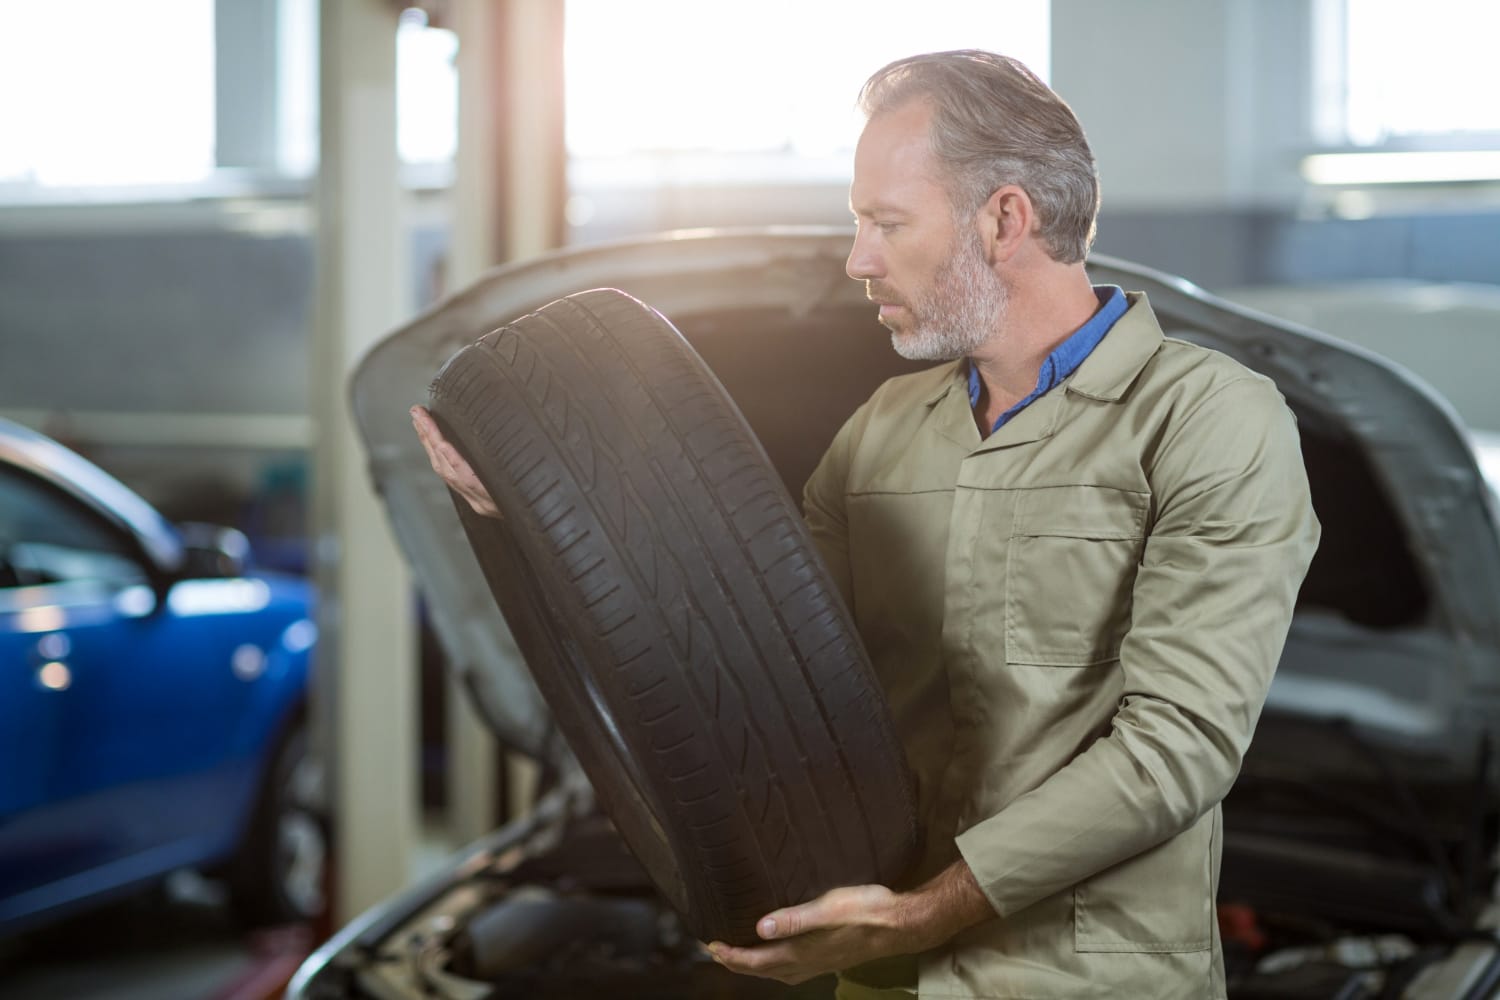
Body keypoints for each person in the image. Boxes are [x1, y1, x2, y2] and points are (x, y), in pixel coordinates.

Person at [412, 49, 1320, 1000]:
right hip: (882, 977)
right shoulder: (882, 430)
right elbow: (751, 660)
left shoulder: (1210, 420)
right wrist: (535, 514)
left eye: (886, 223)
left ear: (1006, 219)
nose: (858, 260)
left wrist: (931, 909)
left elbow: (1179, 746)